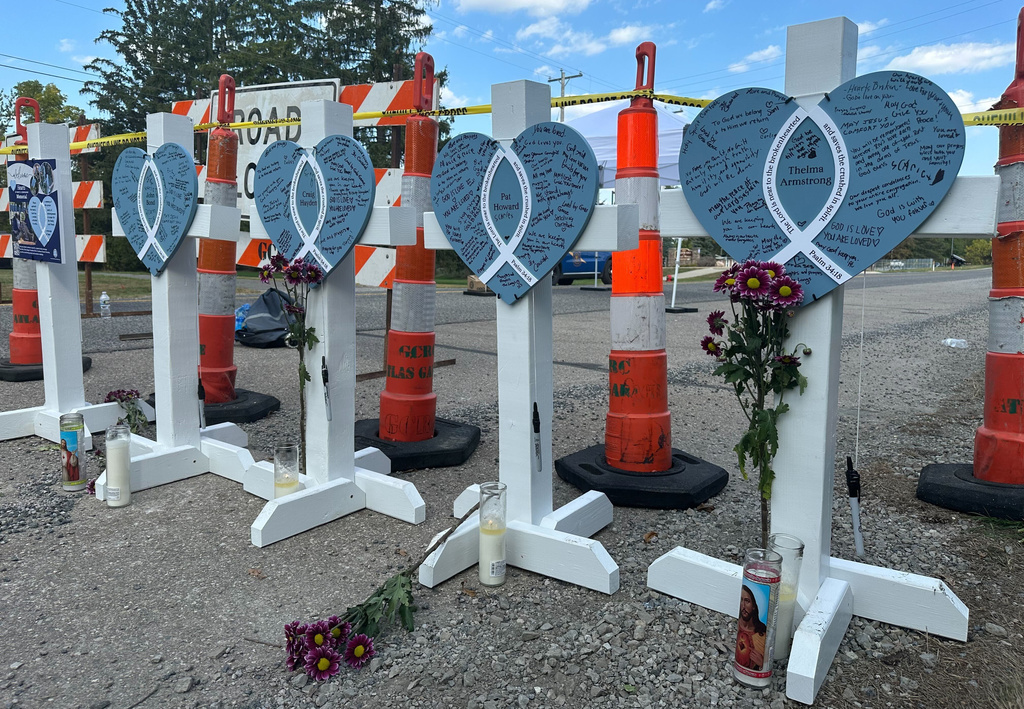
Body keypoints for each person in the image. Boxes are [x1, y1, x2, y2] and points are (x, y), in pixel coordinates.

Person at [736, 585, 767, 670]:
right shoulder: (738, 626)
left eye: (747, 601)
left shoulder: (761, 635)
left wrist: (761, 664)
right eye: (741, 600)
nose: (743, 606)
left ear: (754, 606)